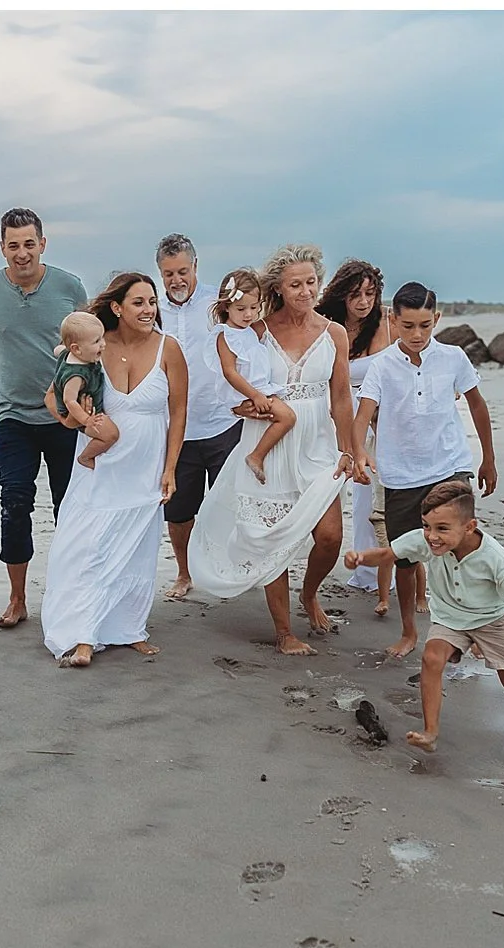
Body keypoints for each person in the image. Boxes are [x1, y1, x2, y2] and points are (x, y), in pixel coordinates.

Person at [187, 244, 357, 655]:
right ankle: (284, 633)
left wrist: (350, 450)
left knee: (331, 536)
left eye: (311, 282)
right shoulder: (256, 331)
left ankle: (310, 594)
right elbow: (227, 377)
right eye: (295, 284)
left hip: (317, 445)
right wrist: (243, 404)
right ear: (279, 289)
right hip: (271, 443)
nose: (305, 291)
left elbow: (341, 399)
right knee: (271, 541)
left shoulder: (334, 333)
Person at [346, 480, 504, 751]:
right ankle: (430, 732)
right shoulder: (426, 542)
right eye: (426, 526)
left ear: (469, 526)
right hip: (449, 617)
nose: (432, 536)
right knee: (431, 658)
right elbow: (387, 554)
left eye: (442, 529)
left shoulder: (496, 558)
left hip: (490, 620)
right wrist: (360, 558)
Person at [40, 272, 188, 667]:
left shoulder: (168, 349)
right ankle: (83, 634)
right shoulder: (94, 346)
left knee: (137, 550)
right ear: (118, 307)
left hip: (146, 465)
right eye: (138, 302)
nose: (148, 309)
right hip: (99, 464)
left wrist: (170, 468)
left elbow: (179, 411)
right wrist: (78, 423)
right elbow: (54, 396)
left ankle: (128, 630)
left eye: (152, 302)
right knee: (88, 547)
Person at [353, 281, 497, 661]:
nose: (417, 335)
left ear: (437, 318)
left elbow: (478, 406)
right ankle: (408, 632)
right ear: (392, 319)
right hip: (401, 475)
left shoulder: (453, 358)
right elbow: (363, 412)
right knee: (405, 558)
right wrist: (358, 453)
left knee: (465, 549)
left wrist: (488, 458)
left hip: (451, 465)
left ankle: (472, 629)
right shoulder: (382, 366)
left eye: (425, 326)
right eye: (408, 326)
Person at [0, 208, 88, 629]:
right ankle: (17, 599)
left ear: (42, 243)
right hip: (13, 418)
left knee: (69, 508)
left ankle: (71, 594)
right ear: (2, 247)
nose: (22, 253)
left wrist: (87, 405)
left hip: (65, 418)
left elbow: (91, 347)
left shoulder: (69, 286)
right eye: (13, 245)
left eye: (29, 243)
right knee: (14, 503)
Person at [153, 233, 241, 600]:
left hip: (223, 421)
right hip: (176, 429)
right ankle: (184, 572)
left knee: (229, 506)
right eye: (169, 273)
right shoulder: (152, 308)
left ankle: (230, 570)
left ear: (196, 267)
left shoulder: (216, 304)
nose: (176, 280)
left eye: (183, 271)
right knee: (178, 511)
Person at [316, 258, 396, 609]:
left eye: (370, 293)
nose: (364, 302)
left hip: (378, 417)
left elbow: (395, 369)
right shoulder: (325, 324)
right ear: (341, 296)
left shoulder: (384, 322)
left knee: (373, 498)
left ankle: (375, 571)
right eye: (356, 295)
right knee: (336, 493)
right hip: (330, 415)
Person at [207, 269, 296, 484]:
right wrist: (255, 395)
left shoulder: (249, 331)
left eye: (254, 308)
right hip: (247, 392)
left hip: (260, 388)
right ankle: (256, 456)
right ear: (226, 307)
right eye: (241, 309)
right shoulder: (225, 334)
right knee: (288, 417)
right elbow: (230, 372)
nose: (248, 314)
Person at [50, 311, 119, 468]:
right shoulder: (76, 376)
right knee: (111, 435)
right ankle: (86, 457)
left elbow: (58, 350)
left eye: (102, 338)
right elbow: (69, 400)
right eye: (96, 341)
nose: (103, 344)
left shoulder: (70, 353)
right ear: (77, 349)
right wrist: (86, 420)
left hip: (85, 413)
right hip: (82, 416)